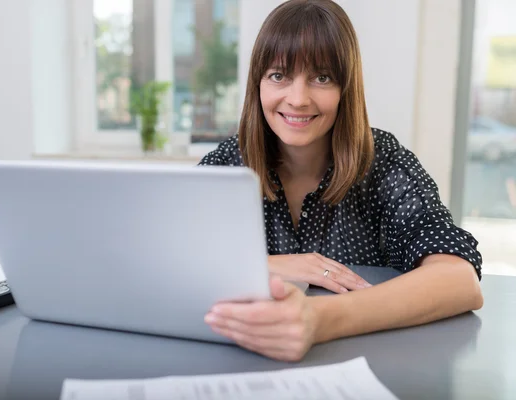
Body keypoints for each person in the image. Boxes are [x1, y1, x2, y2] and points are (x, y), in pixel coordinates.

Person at [198, 0, 484, 362]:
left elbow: (460, 281)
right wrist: (265, 263)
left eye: (321, 77)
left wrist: (318, 320)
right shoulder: (227, 164)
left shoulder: (384, 163)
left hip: (374, 361)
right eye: (278, 75)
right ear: (258, 84)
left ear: (345, 88)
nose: (298, 99)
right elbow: (168, 255)